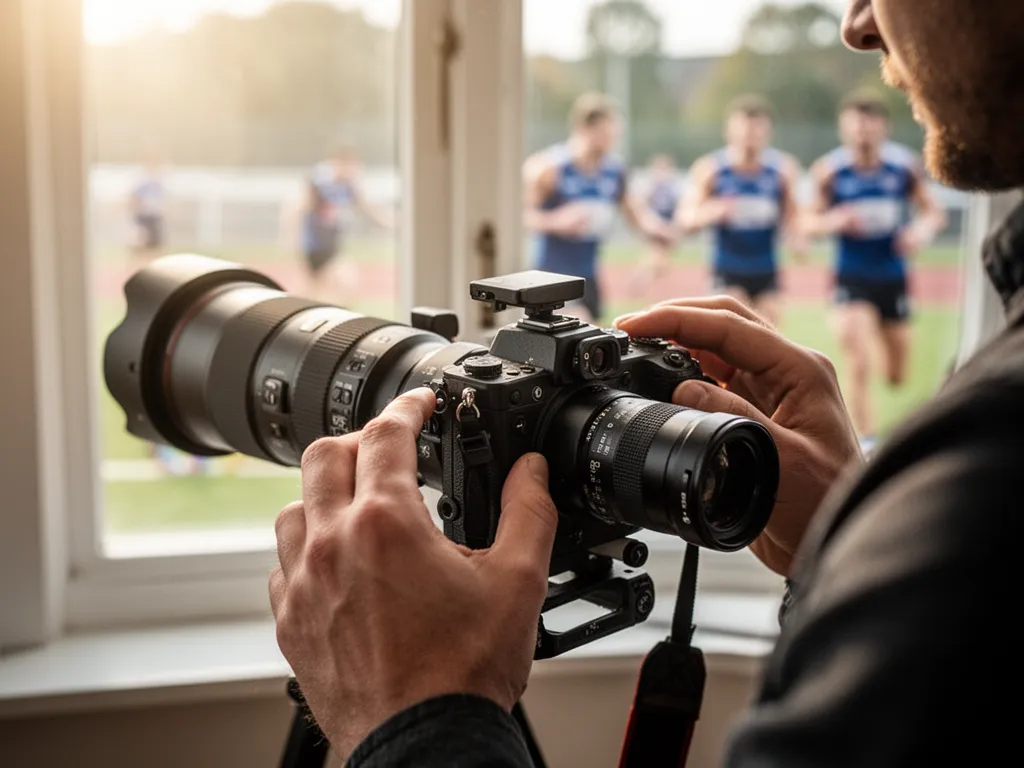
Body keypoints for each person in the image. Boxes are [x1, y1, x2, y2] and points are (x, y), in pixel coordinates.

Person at [269, 2, 1024, 765]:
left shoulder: (982, 485)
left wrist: (417, 713)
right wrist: (841, 539)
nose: (857, 22)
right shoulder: (972, 461)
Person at [805, 91, 947, 442]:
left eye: (870, 126)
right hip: (851, 277)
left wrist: (919, 232)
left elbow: (933, 212)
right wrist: (833, 220)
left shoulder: (902, 167)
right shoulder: (831, 172)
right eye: (855, 126)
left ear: (884, 128)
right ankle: (865, 441)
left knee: (896, 374)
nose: (862, 134)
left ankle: (892, 355)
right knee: (858, 359)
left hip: (892, 277)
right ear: (843, 129)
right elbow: (807, 222)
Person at [523, 92, 670, 323]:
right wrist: (555, 221)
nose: (612, 140)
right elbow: (518, 217)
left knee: (595, 345)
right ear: (584, 128)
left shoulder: (614, 171)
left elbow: (638, 216)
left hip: (589, 277)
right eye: (606, 134)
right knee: (576, 331)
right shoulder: (550, 168)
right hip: (551, 276)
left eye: (615, 134)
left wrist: (664, 232)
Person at [678, 95, 806, 328]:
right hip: (727, 270)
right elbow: (685, 219)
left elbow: (793, 217)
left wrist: (797, 239)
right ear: (729, 132)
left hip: (766, 271)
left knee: (770, 338)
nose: (750, 137)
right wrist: (711, 212)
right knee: (735, 332)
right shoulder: (711, 170)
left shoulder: (782, 171)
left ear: (768, 133)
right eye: (744, 130)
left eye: (757, 130)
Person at [291, 145, 394, 303]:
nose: (353, 170)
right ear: (336, 164)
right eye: (349, 165)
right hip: (314, 246)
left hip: (332, 246)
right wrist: (294, 238)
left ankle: (327, 317)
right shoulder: (319, 183)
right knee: (317, 290)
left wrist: (390, 221)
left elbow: (367, 206)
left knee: (342, 286)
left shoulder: (348, 186)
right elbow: (298, 208)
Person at [631, 153, 683, 297]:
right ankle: (641, 281)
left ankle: (648, 282)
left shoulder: (672, 185)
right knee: (657, 255)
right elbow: (642, 205)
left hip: (667, 224)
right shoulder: (651, 185)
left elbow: (678, 206)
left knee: (662, 258)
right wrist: (654, 225)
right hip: (655, 224)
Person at [126, 155, 167, 262]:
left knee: (154, 247)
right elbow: (134, 198)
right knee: (140, 244)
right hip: (144, 216)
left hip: (154, 216)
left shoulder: (159, 179)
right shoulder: (141, 179)